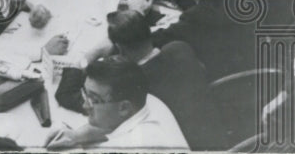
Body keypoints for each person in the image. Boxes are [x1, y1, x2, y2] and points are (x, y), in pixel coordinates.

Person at [44, 56, 188, 150]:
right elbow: (114, 125)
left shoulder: (130, 146)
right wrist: (76, 135)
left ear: (124, 107)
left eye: (94, 99)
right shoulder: (148, 100)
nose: (85, 105)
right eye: (85, 94)